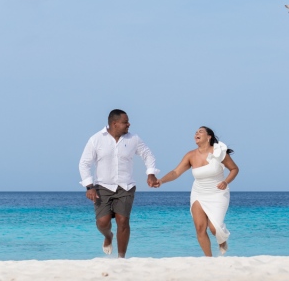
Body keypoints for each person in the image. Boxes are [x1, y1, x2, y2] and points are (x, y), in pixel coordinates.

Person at [78, 109, 160, 258]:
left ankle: (121, 258)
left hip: (126, 186)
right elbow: (84, 163)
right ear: (114, 123)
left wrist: (151, 173)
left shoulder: (133, 139)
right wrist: (89, 186)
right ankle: (108, 236)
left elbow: (147, 154)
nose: (129, 124)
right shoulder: (96, 139)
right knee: (102, 222)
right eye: (125, 122)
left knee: (123, 221)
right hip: (102, 187)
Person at [158, 126, 239, 256]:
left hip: (218, 193)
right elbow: (175, 172)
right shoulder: (191, 155)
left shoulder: (219, 152)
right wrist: (161, 181)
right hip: (198, 193)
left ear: (209, 137)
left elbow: (234, 169)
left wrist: (225, 182)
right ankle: (208, 259)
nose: (197, 133)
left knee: (214, 228)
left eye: (200, 131)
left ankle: (222, 241)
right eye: (195, 132)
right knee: (200, 228)